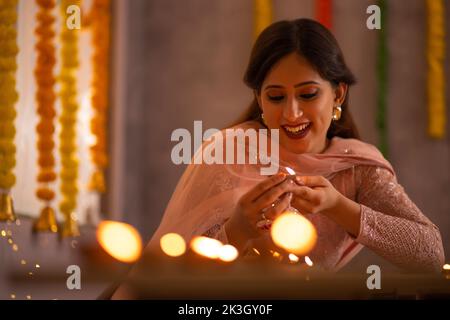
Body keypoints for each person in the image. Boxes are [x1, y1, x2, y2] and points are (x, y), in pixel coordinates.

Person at [145, 19, 445, 274]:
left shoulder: (356, 166)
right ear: (260, 99)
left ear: (338, 94)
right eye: (276, 97)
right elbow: (174, 273)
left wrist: (338, 206)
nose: (292, 113)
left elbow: (431, 255)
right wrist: (236, 230)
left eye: (308, 94)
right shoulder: (229, 153)